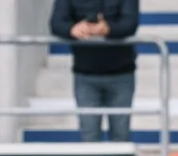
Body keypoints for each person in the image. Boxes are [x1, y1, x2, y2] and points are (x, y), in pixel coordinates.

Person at [49, 0, 139, 143]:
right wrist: (72, 29)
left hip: (121, 74)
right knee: (89, 137)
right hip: (85, 75)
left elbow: (130, 23)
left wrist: (108, 29)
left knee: (120, 136)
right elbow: (56, 23)